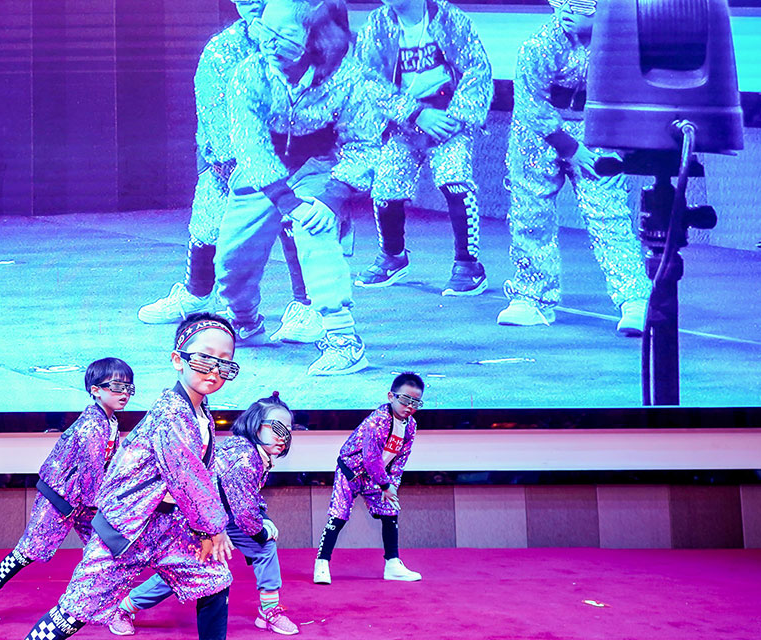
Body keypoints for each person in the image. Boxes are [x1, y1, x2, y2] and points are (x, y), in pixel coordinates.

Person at [0, 313, 254, 640]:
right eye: (204, 358)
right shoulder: (171, 413)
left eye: (225, 363)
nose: (214, 370)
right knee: (77, 606)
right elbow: (185, 474)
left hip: (170, 527)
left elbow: (201, 473)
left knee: (214, 579)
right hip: (127, 530)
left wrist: (208, 526)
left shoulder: (201, 411)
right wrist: (212, 528)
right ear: (178, 359)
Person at [137, 0, 323, 345]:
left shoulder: (308, 39)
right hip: (236, 163)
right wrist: (233, 166)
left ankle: (309, 306)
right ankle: (197, 294)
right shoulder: (222, 50)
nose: (253, 3)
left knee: (298, 217)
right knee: (208, 218)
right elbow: (214, 114)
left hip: (294, 161)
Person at [214, 0, 381, 376]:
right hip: (265, 171)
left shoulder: (349, 76)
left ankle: (344, 340)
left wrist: (332, 197)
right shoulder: (249, 73)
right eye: (265, 30)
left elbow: (365, 143)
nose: (269, 42)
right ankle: (245, 321)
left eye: (285, 34)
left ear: (315, 38)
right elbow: (250, 146)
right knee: (232, 256)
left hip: (319, 164)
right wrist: (287, 201)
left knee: (315, 232)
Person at [497, 0, 650, 334]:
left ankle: (635, 299)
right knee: (531, 214)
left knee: (608, 212)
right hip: (538, 134)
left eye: (580, 3)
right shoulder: (538, 45)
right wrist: (568, 147)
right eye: (561, 1)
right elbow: (530, 102)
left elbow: (631, 92)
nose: (567, 9)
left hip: (596, 128)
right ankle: (532, 297)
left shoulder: (623, 46)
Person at [0, 358, 134, 627]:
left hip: (87, 501)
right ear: (95, 390)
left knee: (106, 552)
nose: (124, 393)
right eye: (116, 386)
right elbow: (92, 477)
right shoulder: (91, 426)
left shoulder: (110, 421)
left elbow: (104, 469)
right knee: (29, 551)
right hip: (59, 499)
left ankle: (108, 607)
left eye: (128, 387)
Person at [110, 393, 300, 636]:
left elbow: (246, 499)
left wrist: (263, 520)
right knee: (184, 567)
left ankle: (269, 611)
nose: (283, 437)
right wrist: (262, 530)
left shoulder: (255, 452)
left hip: (225, 516)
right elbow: (244, 511)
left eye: (288, 431)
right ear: (255, 425)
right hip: (199, 520)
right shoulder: (244, 457)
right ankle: (123, 609)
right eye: (277, 428)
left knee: (265, 548)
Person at [353, 0, 493, 297]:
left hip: (448, 116)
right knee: (386, 187)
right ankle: (392, 257)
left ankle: (468, 265)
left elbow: (477, 69)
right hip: (404, 119)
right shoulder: (376, 24)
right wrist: (413, 113)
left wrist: (456, 117)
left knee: (455, 181)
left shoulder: (449, 18)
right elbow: (367, 80)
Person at [313, 372, 423, 584]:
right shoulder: (378, 420)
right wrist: (385, 484)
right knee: (339, 515)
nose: (409, 406)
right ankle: (322, 563)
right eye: (405, 400)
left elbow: (401, 458)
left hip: (377, 476)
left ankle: (393, 564)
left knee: (390, 510)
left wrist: (392, 485)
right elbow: (371, 456)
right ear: (391, 396)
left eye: (416, 402)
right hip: (350, 472)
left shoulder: (411, 425)